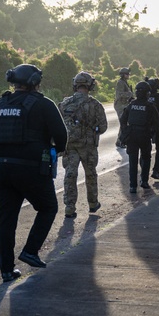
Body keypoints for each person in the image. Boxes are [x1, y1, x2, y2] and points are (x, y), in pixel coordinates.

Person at [0, 64, 68, 283]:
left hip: (0, 170)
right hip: (31, 170)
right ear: (35, 81)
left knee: (6, 221)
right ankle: (30, 250)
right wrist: (54, 149)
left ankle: (7, 271)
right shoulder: (44, 104)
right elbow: (62, 136)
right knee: (48, 208)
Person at [59, 71, 108, 219]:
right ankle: (93, 203)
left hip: (70, 146)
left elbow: (59, 125)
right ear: (90, 85)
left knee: (70, 175)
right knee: (90, 174)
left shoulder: (65, 103)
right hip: (88, 147)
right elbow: (104, 127)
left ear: (75, 85)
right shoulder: (95, 105)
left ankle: (69, 207)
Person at [121, 80, 158, 192]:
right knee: (146, 158)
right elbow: (156, 122)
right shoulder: (150, 106)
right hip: (144, 135)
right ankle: (144, 181)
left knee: (132, 161)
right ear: (148, 93)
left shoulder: (131, 105)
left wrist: (125, 132)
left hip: (132, 135)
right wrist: (154, 135)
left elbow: (123, 120)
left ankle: (133, 186)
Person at [113, 67, 134, 148]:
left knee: (124, 123)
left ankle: (119, 140)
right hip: (120, 105)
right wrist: (130, 94)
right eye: (127, 74)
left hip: (124, 105)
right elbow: (119, 94)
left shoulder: (125, 82)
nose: (128, 75)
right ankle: (121, 141)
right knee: (124, 123)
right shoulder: (120, 83)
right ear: (123, 75)